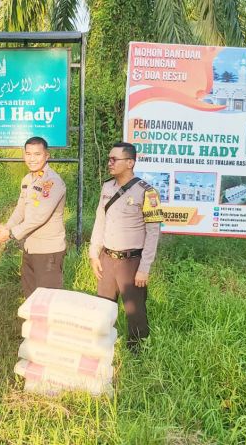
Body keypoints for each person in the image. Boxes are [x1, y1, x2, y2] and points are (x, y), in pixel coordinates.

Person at [89, 141, 161, 352]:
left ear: (130, 162)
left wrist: (144, 268)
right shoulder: (106, 187)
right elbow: (99, 221)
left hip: (131, 262)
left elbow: (153, 232)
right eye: (109, 159)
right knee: (103, 308)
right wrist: (94, 255)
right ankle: (101, 348)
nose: (109, 163)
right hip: (107, 259)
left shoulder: (147, 193)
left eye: (115, 159)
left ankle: (137, 354)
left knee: (135, 312)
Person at [0, 136, 66, 297]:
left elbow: (39, 217)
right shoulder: (27, 179)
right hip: (30, 247)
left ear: (47, 156)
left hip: (48, 251)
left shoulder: (52, 182)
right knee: (30, 295)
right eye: (28, 154)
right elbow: (20, 209)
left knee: (47, 299)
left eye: (37, 154)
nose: (32, 159)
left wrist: (10, 234)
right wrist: (6, 227)